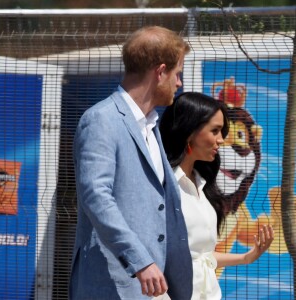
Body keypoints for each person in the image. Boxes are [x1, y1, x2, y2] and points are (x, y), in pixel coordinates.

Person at [69, 26, 193, 300]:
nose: (179, 83)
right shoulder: (101, 119)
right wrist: (141, 261)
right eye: (177, 73)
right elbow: (96, 198)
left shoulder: (150, 126)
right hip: (110, 284)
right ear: (160, 72)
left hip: (150, 287)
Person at [159, 92, 274, 300]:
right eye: (216, 131)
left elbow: (202, 256)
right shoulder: (159, 185)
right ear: (189, 130)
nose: (221, 140)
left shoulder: (204, 185)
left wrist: (247, 257)